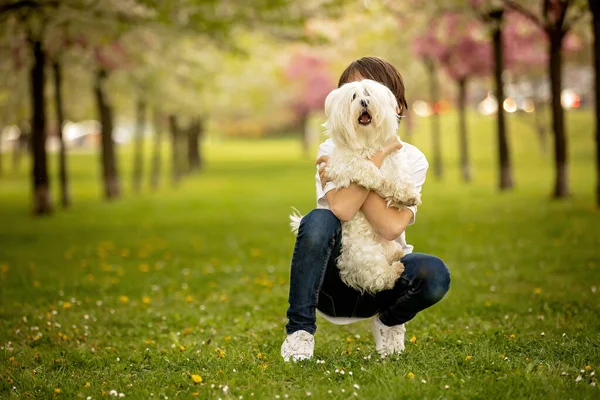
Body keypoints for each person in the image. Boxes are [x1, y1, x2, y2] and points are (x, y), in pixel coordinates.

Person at [281, 57, 451, 361]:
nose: (362, 102)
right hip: (331, 284)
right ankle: (299, 333)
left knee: (435, 273)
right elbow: (344, 210)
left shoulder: (413, 159)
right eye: (353, 94)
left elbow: (390, 227)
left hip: (386, 275)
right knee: (318, 220)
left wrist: (367, 165)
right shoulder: (330, 150)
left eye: (371, 93)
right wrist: (377, 161)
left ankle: (389, 321)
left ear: (395, 105)